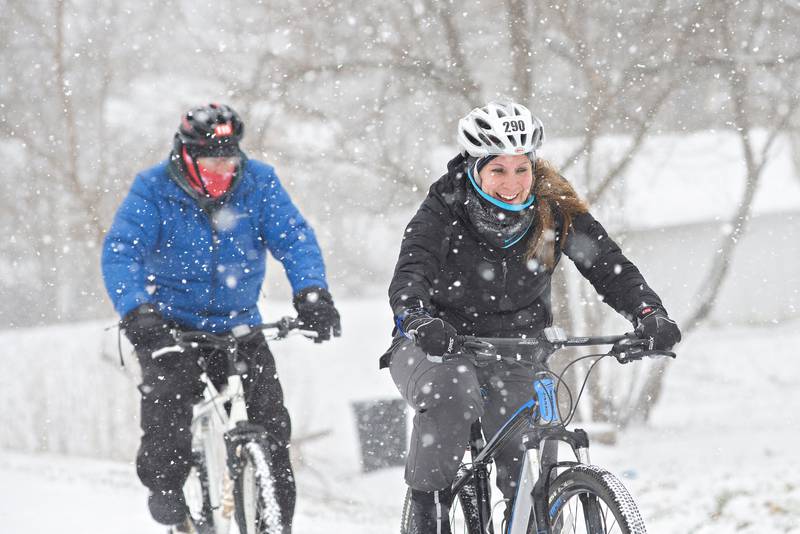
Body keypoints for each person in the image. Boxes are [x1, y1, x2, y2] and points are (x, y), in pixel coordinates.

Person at [382, 100, 681, 533]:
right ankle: (427, 513)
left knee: (528, 454)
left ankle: (540, 517)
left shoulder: (553, 212)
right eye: (498, 170)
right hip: (436, 346)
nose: (512, 183)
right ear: (475, 167)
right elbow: (411, 275)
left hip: (517, 350)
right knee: (453, 394)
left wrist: (649, 313)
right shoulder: (444, 209)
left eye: (521, 169)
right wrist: (419, 319)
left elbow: (609, 267)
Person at [101, 103, 341, 533]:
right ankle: (169, 491)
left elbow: (295, 239)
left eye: (229, 159)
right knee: (168, 409)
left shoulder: (259, 182)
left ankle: (274, 522)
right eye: (211, 160)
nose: (222, 169)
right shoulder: (153, 189)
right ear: (187, 155)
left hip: (239, 323)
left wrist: (311, 292)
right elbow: (121, 253)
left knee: (272, 427)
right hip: (172, 325)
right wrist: (138, 312)